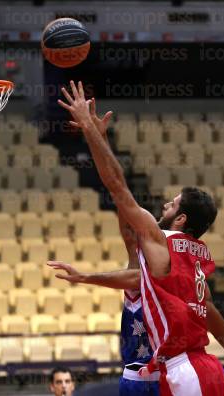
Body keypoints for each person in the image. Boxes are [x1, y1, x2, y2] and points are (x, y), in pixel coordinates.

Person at [54, 80, 224, 396]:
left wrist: (89, 129)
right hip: (206, 367)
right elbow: (218, 325)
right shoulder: (197, 261)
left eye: (173, 203)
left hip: (184, 370)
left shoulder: (162, 244)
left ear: (181, 218)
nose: (165, 204)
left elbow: (118, 189)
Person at [67, 100, 159, 395]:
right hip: (137, 374)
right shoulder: (142, 257)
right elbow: (118, 189)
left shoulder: (164, 260)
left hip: (167, 372)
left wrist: (84, 277)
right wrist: (99, 137)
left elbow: (119, 188)